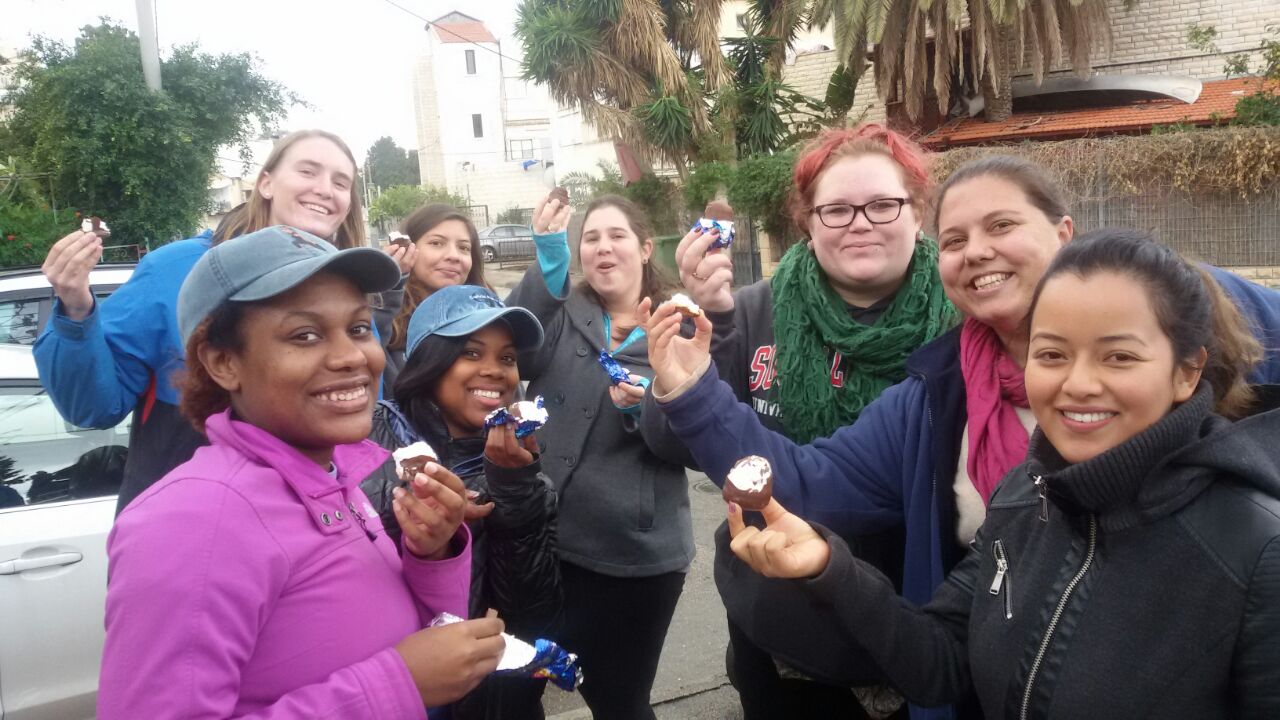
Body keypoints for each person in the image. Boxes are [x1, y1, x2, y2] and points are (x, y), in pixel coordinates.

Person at [644, 154, 1280, 720]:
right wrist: (696, 390)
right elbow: (814, 488)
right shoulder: (994, 459)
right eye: (1050, 357)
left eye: (1001, 226)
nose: (1079, 387)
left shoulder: (1171, 308)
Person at [98, 225, 504, 718]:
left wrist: (432, 551)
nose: (352, 356)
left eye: (357, 327)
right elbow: (398, 674)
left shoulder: (336, 479)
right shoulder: (194, 520)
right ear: (224, 363)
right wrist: (398, 684)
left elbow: (392, 636)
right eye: (305, 335)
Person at [667, 123, 955, 718]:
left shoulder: (964, 322)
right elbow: (670, 442)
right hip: (781, 632)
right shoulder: (750, 310)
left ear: (917, 212)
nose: (859, 222)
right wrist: (711, 324)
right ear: (808, 220)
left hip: (920, 628)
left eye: (882, 204)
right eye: (837, 209)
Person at [34, 129, 416, 514]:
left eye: (341, 182)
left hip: (325, 526)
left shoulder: (352, 284)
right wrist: (76, 312)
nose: (324, 189)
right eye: (308, 171)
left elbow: (357, 425)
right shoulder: (173, 270)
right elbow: (93, 407)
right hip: (189, 527)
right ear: (265, 183)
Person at [505, 193, 692, 720]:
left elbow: (699, 446)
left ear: (645, 247)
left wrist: (646, 410)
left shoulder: (680, 326)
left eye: (617, 236)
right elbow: (518, 351)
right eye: (591, 238)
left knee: (618, 700)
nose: (603, 248)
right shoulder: (561, 311)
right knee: (514, 690)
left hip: (633, 558)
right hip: (544, 546)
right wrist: (546, 260)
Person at [364, 284, 559, 720]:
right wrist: (423, 519)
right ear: (429, 362)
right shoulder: (370, 436)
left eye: (507, 358)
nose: (495, 371)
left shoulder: (526, 475)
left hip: (487, 703)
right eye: (471, 353)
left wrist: (515, 491)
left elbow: (531, 616)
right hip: (387, 692)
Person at [381, 204, 489, 390]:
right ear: (406, 248)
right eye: (436, 243)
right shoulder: (384, 322)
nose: (454, 256)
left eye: (464, 248)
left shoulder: (489, 316)